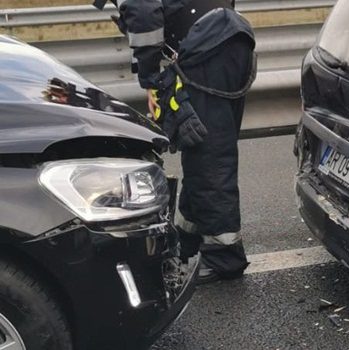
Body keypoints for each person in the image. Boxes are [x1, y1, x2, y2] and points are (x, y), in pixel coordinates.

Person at [92, 0, 256, 283]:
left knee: (210, 155)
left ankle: (225, 257)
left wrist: (150, 77)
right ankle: (188, 240)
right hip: (224, 40)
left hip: (209, 48)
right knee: (200, 150)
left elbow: (144, 13)